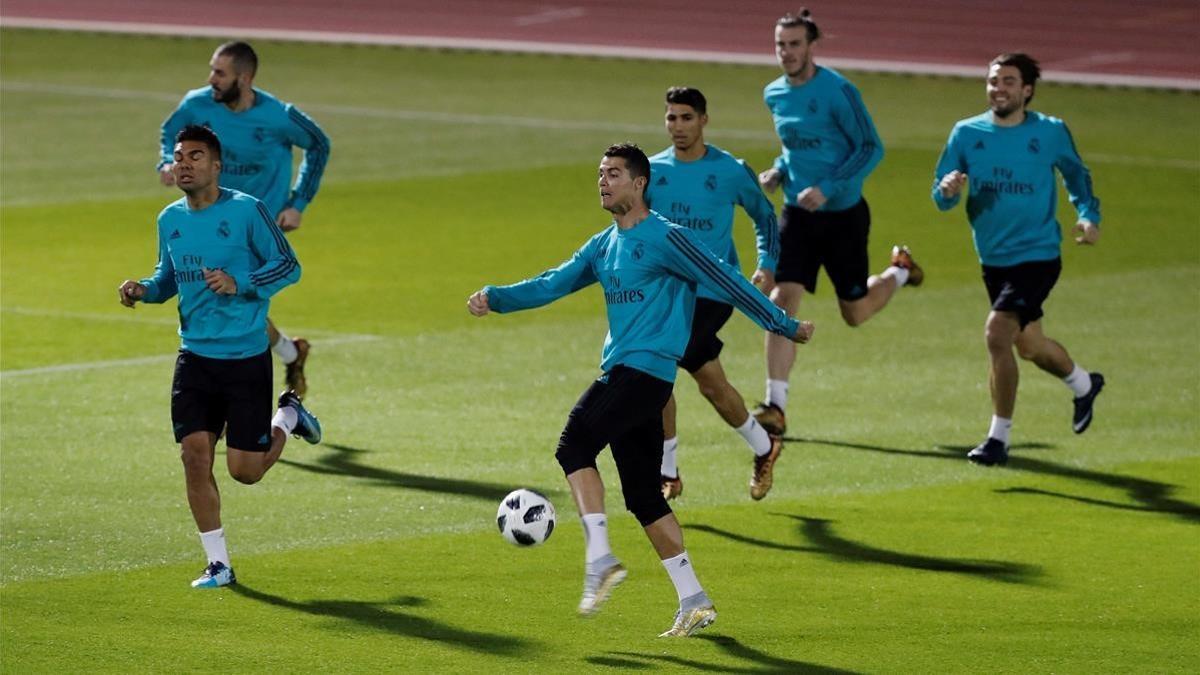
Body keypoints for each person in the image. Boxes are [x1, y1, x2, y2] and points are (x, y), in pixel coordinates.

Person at [467, 143, 813, 637]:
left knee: (573, 445)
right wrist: (496, 298)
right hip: (637, 380)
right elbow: (552, 283)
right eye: (599, 174)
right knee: (644, 498)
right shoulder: (603, 245)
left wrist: (783, 323)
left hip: (642, 375)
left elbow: (726, 279)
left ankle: (600, 558)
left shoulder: (667, 238)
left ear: (639, 182)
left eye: (612, 173)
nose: (603, 182)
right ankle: (694, 599)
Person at [120, 125, 323, 588]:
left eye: (195, 156)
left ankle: (288, 416)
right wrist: (143, 289)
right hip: (194, 358)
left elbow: (289, 265)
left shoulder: (247, 211)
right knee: (194, 456)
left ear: (216, 165)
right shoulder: (168, 219)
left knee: (245, 473)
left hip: (245, 358)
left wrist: (241, 283)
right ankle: (219, 563)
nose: (184, 164)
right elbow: (166, 277)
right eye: (178, 157)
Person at [753, 8, 923, 438]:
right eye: (780, 45)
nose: (786, 53)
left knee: (855, 311)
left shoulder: (838, 90)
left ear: (811, 46)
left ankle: (900, 271)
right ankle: (776, 405)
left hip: (843, 216)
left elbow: (870, 148)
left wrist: (828, 186)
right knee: (781, 299)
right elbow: (795, 149)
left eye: (794, 44)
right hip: (797, 215)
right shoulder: (774, 93)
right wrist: (779, 171)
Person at [932, 53, 1105, 466]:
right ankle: (1084, 384)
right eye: (993, 81)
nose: (999, 89)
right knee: (1029, 345)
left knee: (997, 334)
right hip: (994, 259)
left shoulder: (1049, 132)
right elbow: (939, 197)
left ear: (1026, 90)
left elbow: (1076, 175)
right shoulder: (966, 133)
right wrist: (949, 189)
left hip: (1039, 254)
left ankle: (998, 439)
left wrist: (1088, 215)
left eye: (1008, 81)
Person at [159, 41, 331, 399]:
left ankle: (229, 400)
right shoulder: (197, 104)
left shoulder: (278, 115)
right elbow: (169, 133)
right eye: (211, 70)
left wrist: (299, 202)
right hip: (207, 220)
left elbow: (319, 144)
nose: (212, 79)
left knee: (233, 299)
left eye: (220, 73)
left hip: (256, 227)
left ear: (245, 77)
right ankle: (289, 352)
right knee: (228, 300)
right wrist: (165, 161)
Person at [645, 86, 783, 501]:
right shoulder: (652, 172)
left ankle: (667, 471)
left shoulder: (729, 170)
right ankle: (764, 445)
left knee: (665, 357)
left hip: (715, 288)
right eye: (672, 118)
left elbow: (765, 217)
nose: (679, 126)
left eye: (687, 118)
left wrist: (767, 264)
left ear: (704, 120)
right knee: (706, 381)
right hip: (666, 291)